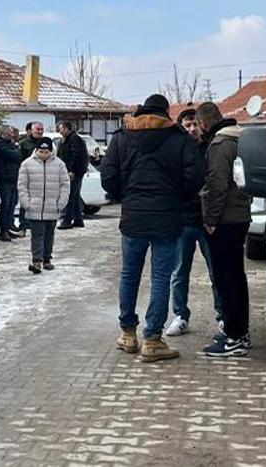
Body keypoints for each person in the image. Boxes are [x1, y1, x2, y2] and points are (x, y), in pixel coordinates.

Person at [100, 93, 203, 363]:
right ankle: (153, 339)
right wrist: (178, 199)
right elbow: (195, 177)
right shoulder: (179, 139)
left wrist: (125, 195)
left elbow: (108, 176)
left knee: (129, 275)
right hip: (167, 217)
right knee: (160, 278)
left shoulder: (122, 137)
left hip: (133, 216)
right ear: (166, 113)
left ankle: (128, 334)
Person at [195, 102, 254, 358]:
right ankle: (240, 331)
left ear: (203, 124)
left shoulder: (220, 144)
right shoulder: (240, 138)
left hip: (225, 221)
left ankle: (233, 337)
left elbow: (216, 185)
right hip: (240, 216)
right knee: (237, 278)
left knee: (226, 279)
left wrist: (210, 219)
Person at [166, 107, 224, 338]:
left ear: (201, 125)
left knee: (216, 272)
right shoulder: (175, 150)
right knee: (179, 272)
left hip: (208, 221)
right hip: (183, 221)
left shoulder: (212, 148)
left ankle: (223, 316)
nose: (191, 129)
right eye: (186, 125)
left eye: (194, 124)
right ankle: (180, 315)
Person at [17, 136, 70, 274]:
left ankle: (47, 258)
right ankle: (36, 260)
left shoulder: (59, 165)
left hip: (52, 206)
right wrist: (25, 202)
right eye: (41, 152)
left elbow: (65, 185)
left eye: (47, 152)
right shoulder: (27, 164)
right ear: (37, 150)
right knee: (37, 235)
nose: (44, 155)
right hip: (34, 207)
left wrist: (61, 202)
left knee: (49, 235)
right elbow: (22, 185)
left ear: (51, 151)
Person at [0, 126, 24, 242]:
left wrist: (15, 148)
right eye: (10, 133)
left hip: (13, 177)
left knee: (12, 203)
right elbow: (15, 155)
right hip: (4, 178)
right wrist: (16, 148)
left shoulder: (10, 143)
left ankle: (9, 227)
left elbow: (18, 155)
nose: (13, 135)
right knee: (5, 205)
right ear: (4, 133)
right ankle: (3, 231)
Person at [56, 121, 90, 230]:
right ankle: (78, 219)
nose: (59, 131)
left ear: (67, 128)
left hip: (73, 172)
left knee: (70, 196)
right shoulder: (66, 140)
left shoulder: (74, 139)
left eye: (61, 129)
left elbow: (76, 156)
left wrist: (72, 171)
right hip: (69, 171)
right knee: (75, 196)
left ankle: (67, 220)